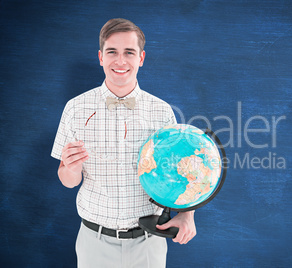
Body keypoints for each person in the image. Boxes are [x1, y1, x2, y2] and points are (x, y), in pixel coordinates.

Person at [51, 18, 196, 267]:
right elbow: (68, 181)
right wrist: (71, 168)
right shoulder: (75, 108)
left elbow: (182, 173)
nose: (120, 61)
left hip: (148, 243)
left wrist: (187, 214)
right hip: (93, 243)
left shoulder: (162, 112)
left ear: (141, 58)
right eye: (112, 52)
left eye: (129, 52)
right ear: (100, 57)